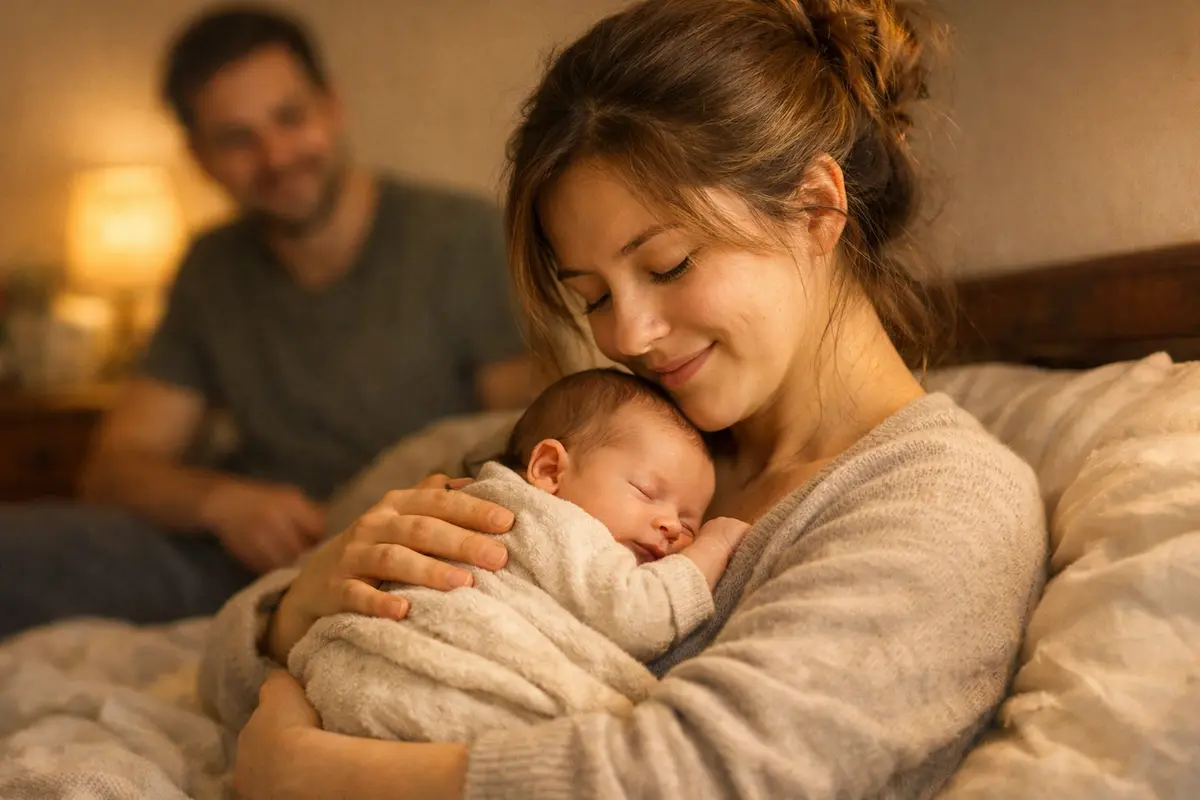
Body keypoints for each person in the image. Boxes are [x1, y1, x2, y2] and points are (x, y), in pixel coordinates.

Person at [205, 1, 1048, 797]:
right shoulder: (623, 434)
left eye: (669, 264)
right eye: (593, 295)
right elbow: (229, 657)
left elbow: (698, 774)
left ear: (817, 209)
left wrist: (310, 777)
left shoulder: (943, 504)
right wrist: (303, 605)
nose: (629, 337)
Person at [0, 5, 536, 638]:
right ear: (198, 157)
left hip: (406, 559)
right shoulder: (210, 265)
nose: (276, 155)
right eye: (237, 138)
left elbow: (520, 449)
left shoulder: (460, 237)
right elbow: (116, 468)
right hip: (241, 561)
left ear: (332, 106)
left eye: (290, 117)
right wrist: (221, 502)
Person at [287, 368, 749, 743]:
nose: (671, 526)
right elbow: (635, 615)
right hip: (422, 679)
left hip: (352, 696)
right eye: (647, 491)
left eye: (689, 524)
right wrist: (713, 543)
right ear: (549, 471)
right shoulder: (550, 521)